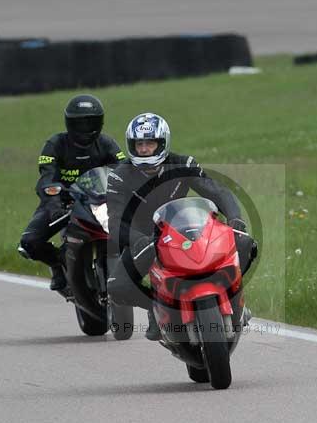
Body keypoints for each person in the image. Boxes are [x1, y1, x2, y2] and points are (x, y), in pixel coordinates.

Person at [106, 112, 256, 340]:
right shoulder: (118, 177)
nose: (144, 149)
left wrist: (235, 219)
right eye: (139, 144)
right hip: (144, 240)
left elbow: (217, 191)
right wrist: (139, 240)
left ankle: (236, 301)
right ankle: (155, 307)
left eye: (150, 143)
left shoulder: (183, 163)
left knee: (246, 244)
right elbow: (116, 220)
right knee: (117, 287)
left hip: (186, 231)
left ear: (162, 143)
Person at [18, 94, 126, 294]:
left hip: (100, 203)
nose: (85, 129)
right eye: (79, 123)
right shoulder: (55, 144)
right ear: (69, 123)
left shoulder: (107, 144)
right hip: (62, 203)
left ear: (99, 122)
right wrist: (54, 204)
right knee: (29, 242)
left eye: (90, 123)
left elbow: (123, 171)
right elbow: (46, 179)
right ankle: (58, 264)